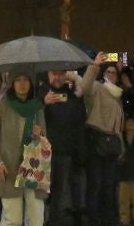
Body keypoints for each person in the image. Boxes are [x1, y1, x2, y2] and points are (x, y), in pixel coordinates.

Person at [0, 71, 48, 226]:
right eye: (18, 80)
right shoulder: (3, 106)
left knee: (36, 219)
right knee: (13, 220)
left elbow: (45, 141)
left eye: (26, 79)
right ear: (12, 84)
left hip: (34, 168)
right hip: (9, 169)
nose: (22, 83)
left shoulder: (37, 107)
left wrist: (39, 134)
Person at [79, 54, 126, 226]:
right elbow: (84, 88)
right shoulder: (98, 87)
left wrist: (121, 145)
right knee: (96, 184)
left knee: (109, 184)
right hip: (96, 139)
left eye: (115, 73)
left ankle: (107, 218)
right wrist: (94, 66)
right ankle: (94, 219)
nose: (112, 75)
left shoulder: (117, 94)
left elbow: (117, 124)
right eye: (109, 72)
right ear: (104, 73)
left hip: (112, 142)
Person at [42, 70, 86, 223]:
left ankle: (54, 221)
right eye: (53, 73)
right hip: (42, 152)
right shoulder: (40, 94)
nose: (57, 77)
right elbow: (31, 118)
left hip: (64, 152)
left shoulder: (72, 96)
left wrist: (79, 151)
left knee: (59, 192)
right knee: (42, 192)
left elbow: (79, 124)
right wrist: (44, 103)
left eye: (61, 74)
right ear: (48, 75)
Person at [115, 115, 134, 226]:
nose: (131, 125)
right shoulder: (120, 140)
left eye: (133, 123)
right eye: (129, 122)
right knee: (124, 201)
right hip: (124, 174)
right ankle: (124, 221)